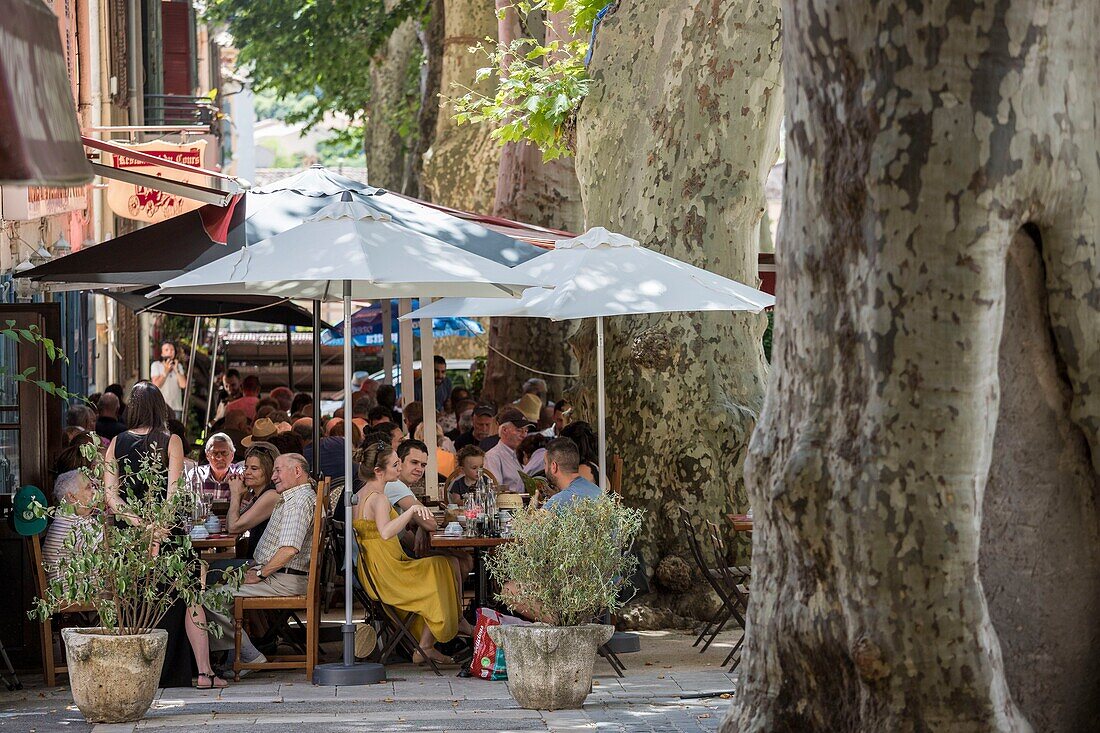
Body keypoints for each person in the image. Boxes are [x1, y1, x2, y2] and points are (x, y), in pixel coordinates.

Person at [104, 381, 222, 689]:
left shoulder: (115, 443)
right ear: (161, 408)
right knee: (191, 594)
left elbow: (111, 497)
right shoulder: (171, 441)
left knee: (133, 600)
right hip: (167, 531)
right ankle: (204, 673)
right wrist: (157, 530)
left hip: (129, 538)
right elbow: (173, 492)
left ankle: (136, 671)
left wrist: (138, 524)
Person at [353, 441, 473, 665]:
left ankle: (436, 638)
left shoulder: (359, 494)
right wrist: (411, 514)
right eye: (396, 465)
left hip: (372, 569)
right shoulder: (378, 498)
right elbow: (386, 532)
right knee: (441, 567)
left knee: (441, 565)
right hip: (388, 573)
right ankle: (431, 642)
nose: (400, 469)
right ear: (379, 471)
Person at [204, 453, 318, 669]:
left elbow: (289, 550)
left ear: (296, 472)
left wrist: (259, 574)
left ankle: (248, 656)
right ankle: (232, 655)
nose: (273, 476)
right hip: (281, 574)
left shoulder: (299, 502)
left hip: (284, 578)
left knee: (210, 599)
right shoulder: (295, 496)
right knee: (212, 578)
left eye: (278, 470)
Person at [42, 470, 101, 587]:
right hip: (76, 602)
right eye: (88, 487)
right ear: (72, 497)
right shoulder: (68, 526)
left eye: (94, 486)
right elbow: (110, 546)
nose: (95, 491)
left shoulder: (73, 519)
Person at [226, 442, 281, 558]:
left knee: (214, 569)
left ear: (269, 471)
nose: (247, 473)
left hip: (262, 567)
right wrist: (239, 495)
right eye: (246, 467)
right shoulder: (257, 495)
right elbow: (229, 525)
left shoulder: (272, 495)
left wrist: (235, 494)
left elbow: (233, 527)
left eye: (254, 469)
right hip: (256, 561)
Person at [539, 437, 603, 509]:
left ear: (554, 467)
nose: (545, 468)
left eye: (545, 463)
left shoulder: (557, 502)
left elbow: (536, 519)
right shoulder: (597, 490)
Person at [483, 407, 533, 493]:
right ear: (504, 430)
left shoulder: (526, 454)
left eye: (526, 431)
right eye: (519, 430)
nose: (524, 435)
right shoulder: (493, 457)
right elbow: (495, 491)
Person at [187, 433, 242, 503]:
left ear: (232, 455)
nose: (219, 457)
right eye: (214, 453)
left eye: (224, 452)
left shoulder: (238, 475)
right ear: (207, 455)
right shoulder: (196, 475)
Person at [150, 341, 187, 419]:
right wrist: (166, 371)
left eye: (172, 350)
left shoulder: (178, 366)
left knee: (174, 430)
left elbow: (183, 385)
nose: (170, 352)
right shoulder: (156, 365)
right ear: (162, 353)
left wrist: (176, 370)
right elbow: (156, 384)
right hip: (161, 407)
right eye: (166, 350)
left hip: (176, 407)